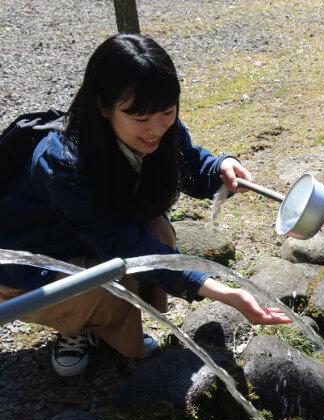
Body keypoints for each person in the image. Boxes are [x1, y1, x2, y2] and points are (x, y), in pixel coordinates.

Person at [0, 33, 290, 376]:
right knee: (101, 287)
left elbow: (190, 164)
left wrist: (220, 169)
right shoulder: (60, 163)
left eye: (167, 112)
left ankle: (106, 323)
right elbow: (124, 244)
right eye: (140, 119)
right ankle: (75, 329)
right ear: (103, 107)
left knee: (158, 232)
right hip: (33, 260)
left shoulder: (158, 126)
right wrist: (223, 292)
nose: (156, 129)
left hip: (88, 238)